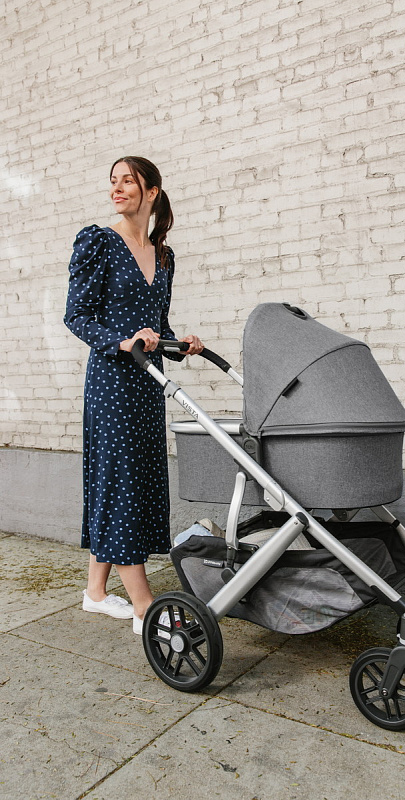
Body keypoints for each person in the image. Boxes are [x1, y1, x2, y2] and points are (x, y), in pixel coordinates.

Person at [64, 156, 203, 635]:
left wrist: (181, 344)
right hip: (111, 383)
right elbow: (76, 315)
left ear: (152, 192)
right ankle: (145, 606)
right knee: (120, 483)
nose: (117, 189)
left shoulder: (163, 256)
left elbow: (156, 327)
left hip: (148, 383)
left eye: (128, 181)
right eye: (114, 181)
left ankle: (95, 592)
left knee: (133, 481)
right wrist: (121, 342)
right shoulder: (98, 242)